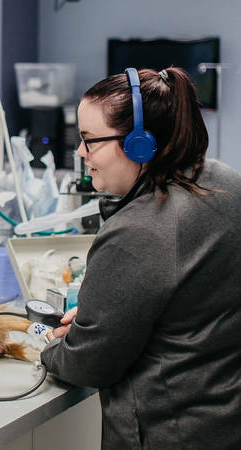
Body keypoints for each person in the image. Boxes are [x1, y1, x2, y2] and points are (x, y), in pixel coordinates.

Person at [40, 67, 241, 448]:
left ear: (139, 145)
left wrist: (54, 344)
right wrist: (103, 316)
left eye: (89, 141)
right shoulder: (224, 180)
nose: (80, 153)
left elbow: (90, 364)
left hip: (165, 431)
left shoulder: (137, 231)